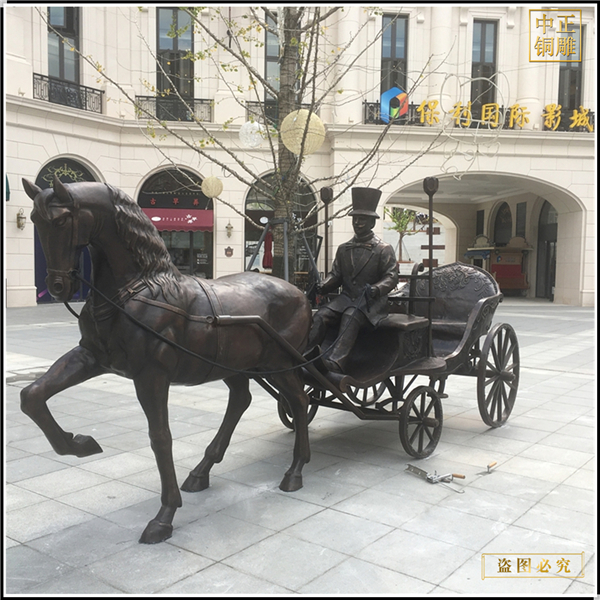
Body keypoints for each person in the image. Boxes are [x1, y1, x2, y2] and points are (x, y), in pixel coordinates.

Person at [308, 187, 398, 373]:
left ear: (372, 222)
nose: (357, 223)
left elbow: (391, 277)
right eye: (355, 219)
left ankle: (336, 362)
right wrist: (323, 286)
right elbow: (336, 275)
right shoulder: (343, 248)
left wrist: (376, 289)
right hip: (346, 298)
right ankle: (306, 354)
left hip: (371, 303)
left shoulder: (383, 249)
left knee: (351, 316)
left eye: (362, 219)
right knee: (321, 315)